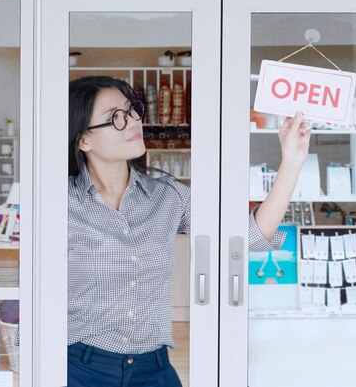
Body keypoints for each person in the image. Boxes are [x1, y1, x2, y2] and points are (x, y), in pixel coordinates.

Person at [67, 76, 311, 387]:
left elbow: (249, 237)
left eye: (132, 111)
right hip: (82, 368)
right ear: (83, 140)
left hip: (154, 369)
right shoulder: (60, 206)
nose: (132, 122)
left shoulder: (167, 195)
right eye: (115, 118)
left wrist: (292, 161)